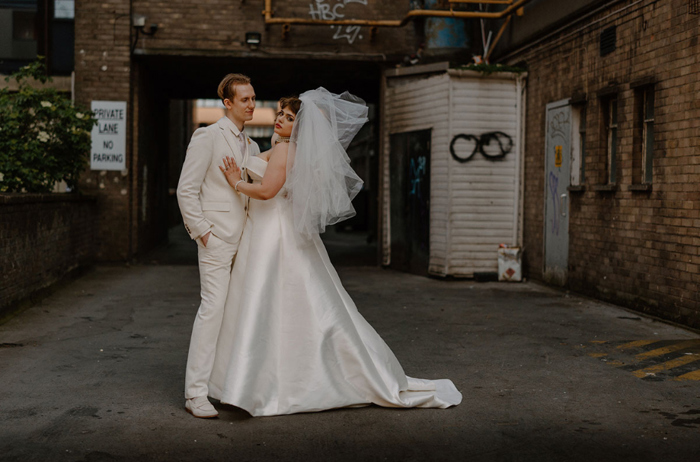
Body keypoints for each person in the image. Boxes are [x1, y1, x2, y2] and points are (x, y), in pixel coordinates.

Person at [208, 88, 462, 417]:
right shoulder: (284, 147)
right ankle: (259, 379)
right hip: (269, 230)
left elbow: (268, 191)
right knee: (283, 302)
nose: (281, 121)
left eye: (289, 118)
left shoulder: (286, 151)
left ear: (299, 127)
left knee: (266, 301)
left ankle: (257, 385)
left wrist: (235, 182)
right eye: (281, 115)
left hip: (274, 234)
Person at [176, 73, 260, 418]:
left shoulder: (252, 146)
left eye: (254, 98)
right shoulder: (207, 137)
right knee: (211, 312)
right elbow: (186, 189)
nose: (252, 104)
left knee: (236, 313)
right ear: (228, 103)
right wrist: (203, 232)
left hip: (245, 240)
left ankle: (223, 384)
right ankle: (195, 393)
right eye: (245, 100)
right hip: (216, 239)